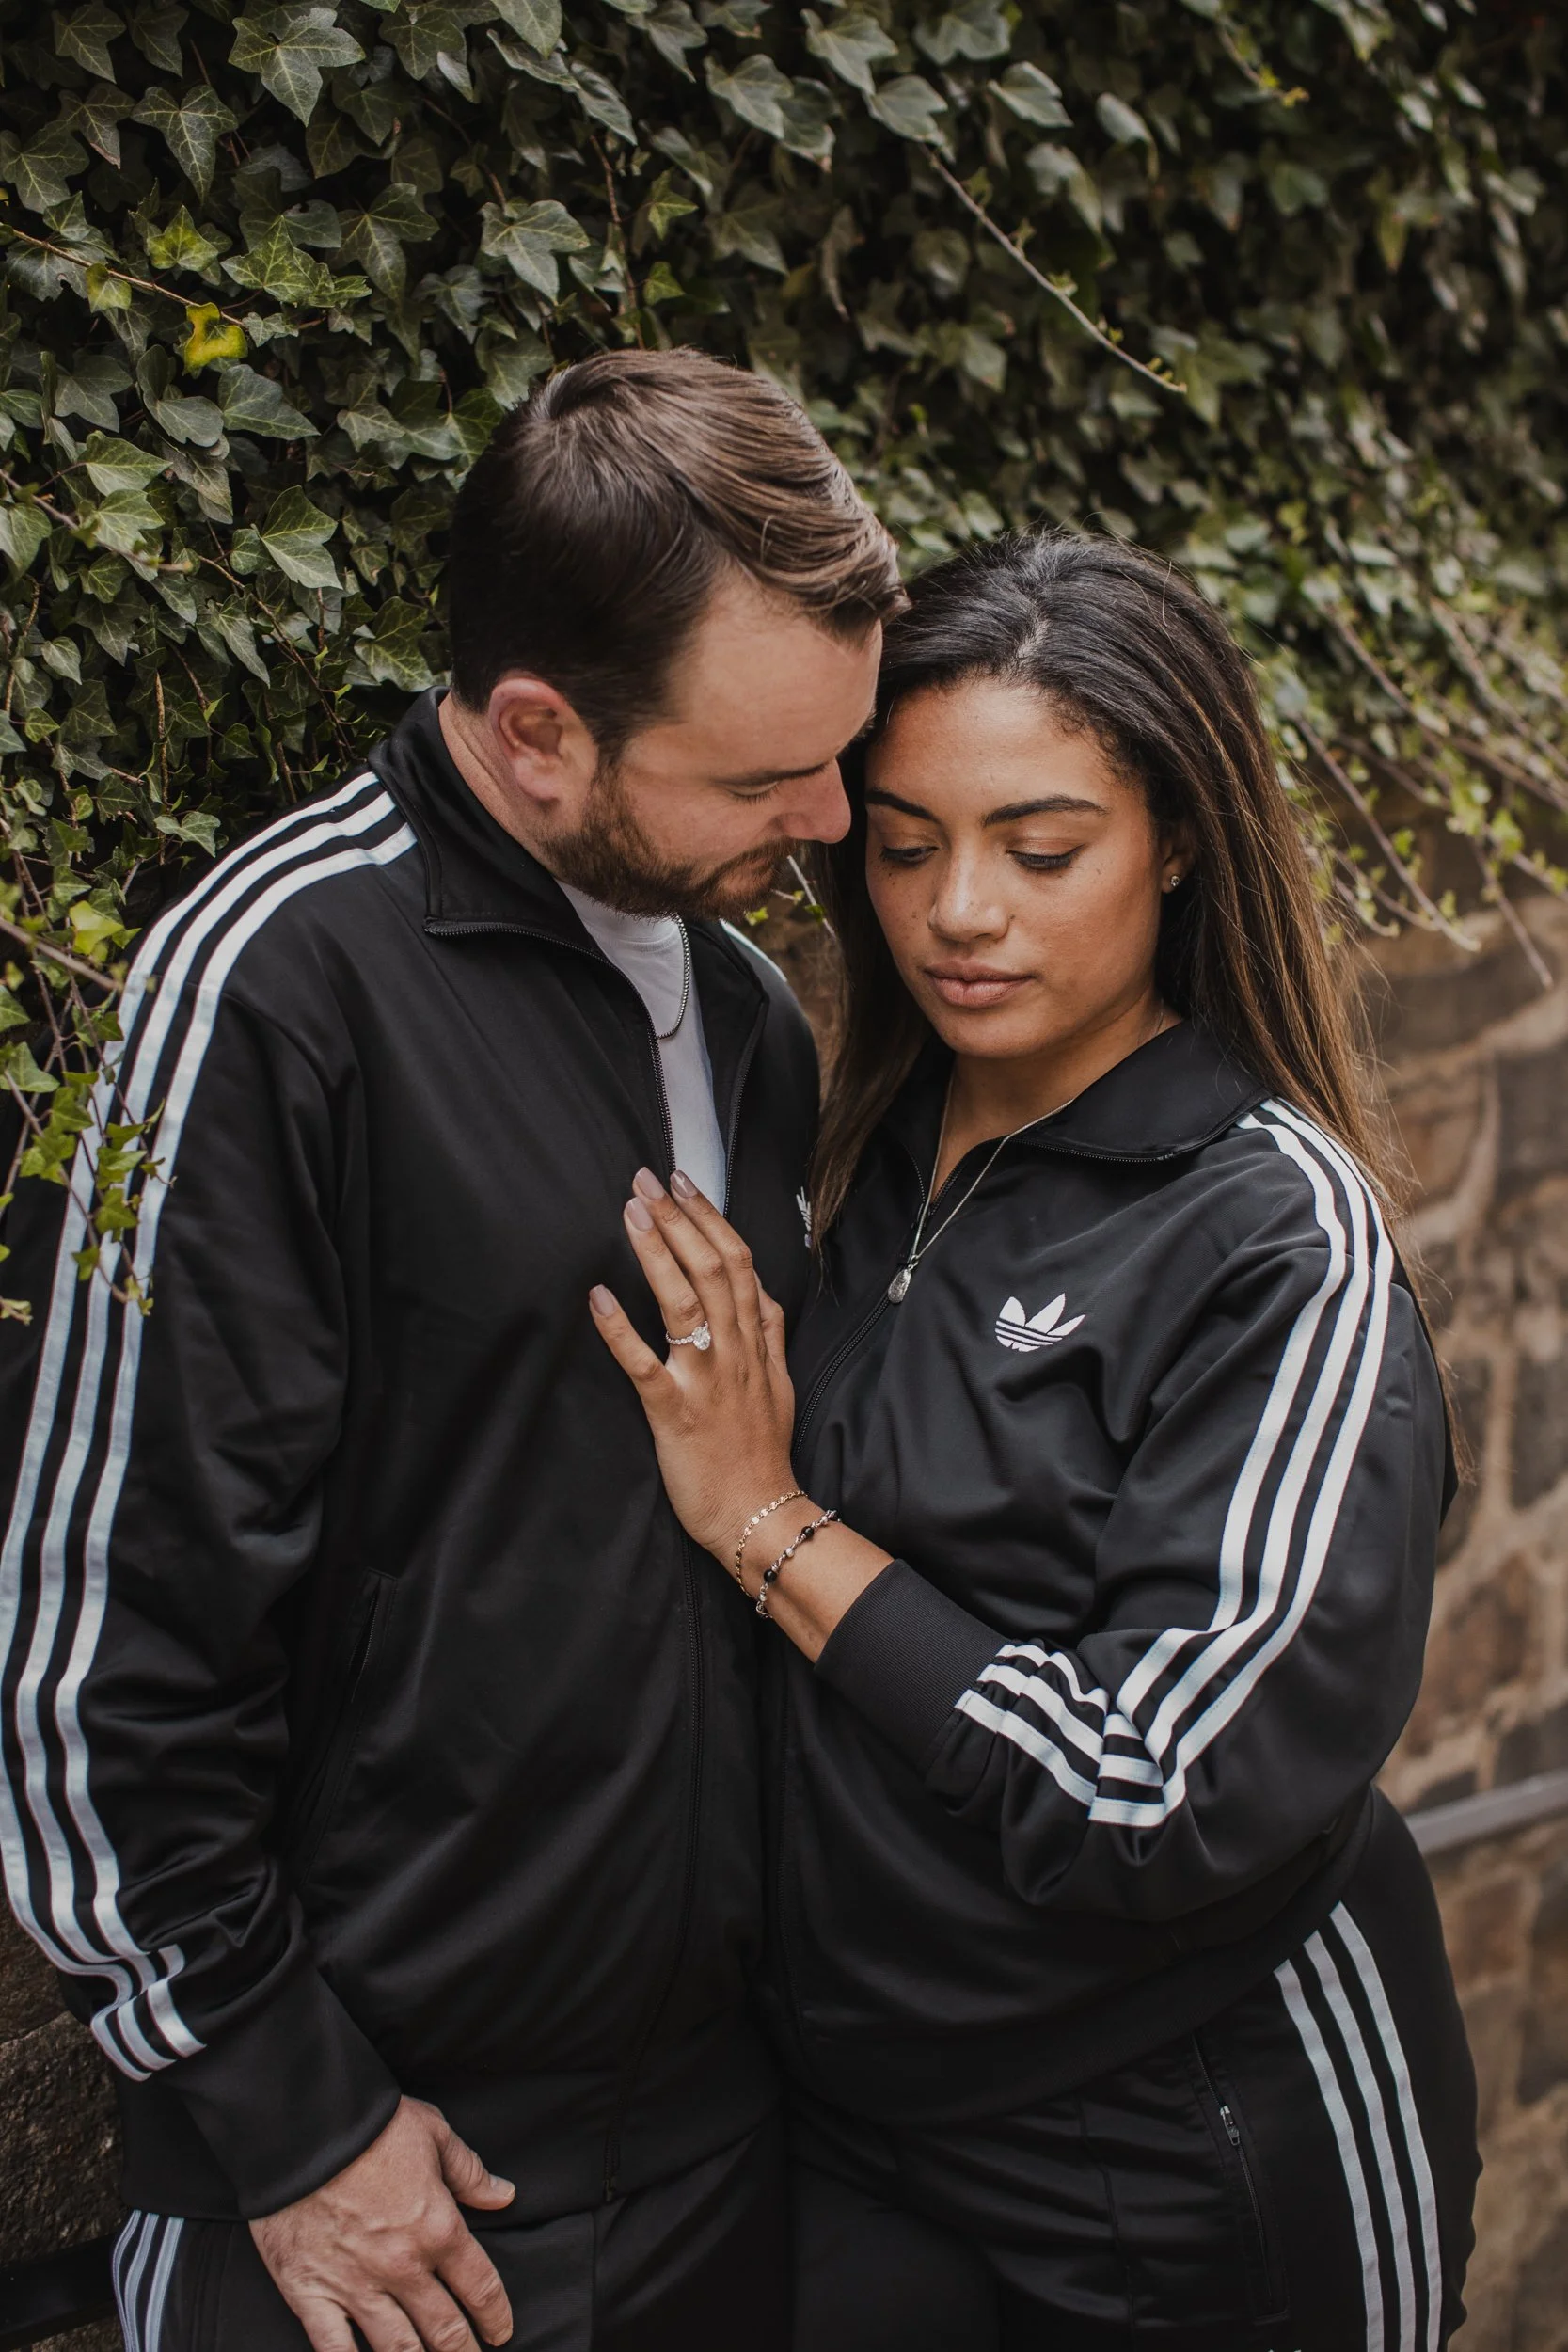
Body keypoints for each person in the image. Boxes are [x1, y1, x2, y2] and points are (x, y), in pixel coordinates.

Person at [0, 349, 903, 2352]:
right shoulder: (269, 991)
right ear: (535, 734)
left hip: (711, 2150)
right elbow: (92, 1658)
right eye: (767, 777)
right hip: (373, 2189)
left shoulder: (752, 1018)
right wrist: (290, 2116)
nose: (832, 818)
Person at [592, 529, 1481, 2352]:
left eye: (1038, 846)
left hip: (1196, 2136)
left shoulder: (1269, 1237)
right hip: (858, 2120)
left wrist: (768, 1522)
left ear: (1173, 839)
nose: (956, 910)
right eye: (904, 843)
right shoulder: (847, 1145)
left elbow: (1161, 1788)